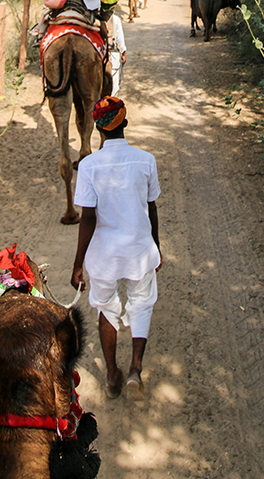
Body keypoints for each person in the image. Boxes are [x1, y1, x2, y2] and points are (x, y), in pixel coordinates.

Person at [71, 96, 162, 401]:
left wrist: (77, 264)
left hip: (104, 256)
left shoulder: (88, 166)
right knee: (141, 302)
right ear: (124, 122)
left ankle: (111, 375)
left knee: (107, 308)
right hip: (139, 250)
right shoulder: (146, 160)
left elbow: (87, 218)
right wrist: (156, 247)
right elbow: (152, 210)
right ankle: (135, 367)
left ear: (98, 129)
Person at [107, 13, 127, 94]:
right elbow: (120, 40)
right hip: (111, 53)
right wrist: (123, 53)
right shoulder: (114, 19)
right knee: (113, 84)